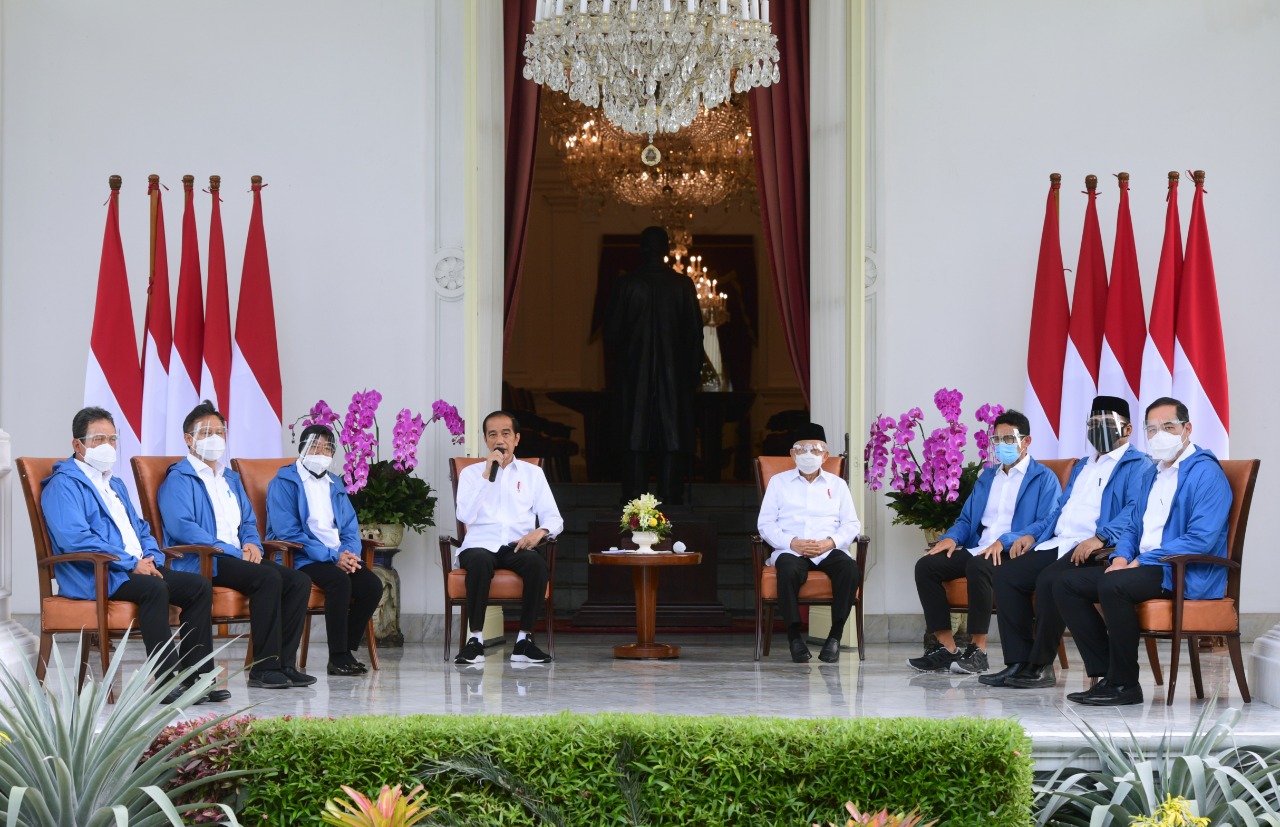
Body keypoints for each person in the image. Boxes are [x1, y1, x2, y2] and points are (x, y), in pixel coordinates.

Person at [42, 406, 228, 704]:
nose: (107, 446)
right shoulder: (63, 485)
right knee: (155, 588)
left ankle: (197, 677)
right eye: (98, 439)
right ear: (77, 445)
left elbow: (140, 528)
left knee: (198, 586)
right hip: (98, 573)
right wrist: (132, 563)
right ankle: (167, 681)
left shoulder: (113, 483)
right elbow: (74, 539)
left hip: (134, 567)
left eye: (112, 439)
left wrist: (151, 556)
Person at [1055, 397, 1231, 706]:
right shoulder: (1152, 473)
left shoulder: (1206, 473)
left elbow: (1201, 539)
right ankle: (1107, 674)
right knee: (1066, 584)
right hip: (1145, 564)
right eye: (1152, 429)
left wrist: (1139, 561)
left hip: (1183, 569)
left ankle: (1126, 685)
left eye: (1168, 427)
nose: (1159, 435)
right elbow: (1133, 527)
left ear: (1187, 429)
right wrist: (1122, 556)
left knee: (1113, 584)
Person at [979, 396, 1151, 688]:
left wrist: (1100, 536)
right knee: (1006, 575)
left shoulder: (1138, 465)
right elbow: (1058, 510)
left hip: (1094, 547)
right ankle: (1019, 662)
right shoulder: (1083, 465)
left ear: (1128, 429)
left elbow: (1134, 511)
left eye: (1107, 424)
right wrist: (1031, 535)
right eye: (1093, 424)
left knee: (1049, 580)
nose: (1099, 430)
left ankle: (1041, 665)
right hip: (1059, 542)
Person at [158, 400, 315, 689]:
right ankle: (264, 668)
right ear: (188, 439)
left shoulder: (230, 477)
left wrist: (252, 542)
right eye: (206, 432)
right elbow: (183, 528)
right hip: (206, 559)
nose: (215, 438)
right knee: (268, 577)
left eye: (220, 431)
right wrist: (233, 550)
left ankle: (284, 663)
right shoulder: (179, 479)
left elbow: (247, 519)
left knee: (298, 581)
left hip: (237, 556)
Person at [907, 409, 1060, 675]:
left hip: (1016, 552)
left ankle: (978, 651)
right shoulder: (987, 477)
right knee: (926, 566)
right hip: (982, 547)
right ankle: (946, 647)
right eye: (997, 440)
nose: (1002, 446)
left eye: (1009, 439)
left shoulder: (1043, 477)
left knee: (979, 566)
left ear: (1026, 441)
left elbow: (1048, 521)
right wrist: (949, 538)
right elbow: (967, 519)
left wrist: (1006, 540)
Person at [266, 424, 383, 677]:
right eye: (315, 446)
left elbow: (350, 527)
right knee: (340, 582)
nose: (322, 451)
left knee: (372, 585)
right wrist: (334, 557)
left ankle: (347, 650)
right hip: (301, 556)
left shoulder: (335, 483)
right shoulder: (284, 482)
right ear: (302, 449)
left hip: (337, 555)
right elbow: (287, 532)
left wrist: (350, 555)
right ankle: (337, 656)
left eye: (328, 447)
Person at [603, 225, 704, 505]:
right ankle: (672, 498)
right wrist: (690, 377)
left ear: (641, 249)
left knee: (635, 436)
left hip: (634, 376)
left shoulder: (626, 285)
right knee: (672, 436)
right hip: (674, 379)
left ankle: (633, 500)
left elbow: (610, 334)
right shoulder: (682, 285)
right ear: (667, 251)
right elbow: (696, 336)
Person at [453, 410, 564, 666]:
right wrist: (487, 477)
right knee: (480, 561)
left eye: (505, 433)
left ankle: (524, 641)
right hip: (479, 544)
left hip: (516, 546)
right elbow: (464, 515)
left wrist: (540, 532)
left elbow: (554, 518)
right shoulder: (472, 474)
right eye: (493, 434)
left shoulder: (532, 474)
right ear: (485, 440)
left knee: (536, 564)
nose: (499, 439)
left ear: (516, 439)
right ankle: (476, 641)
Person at [757, 423, 862, 663]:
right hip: (791, 549)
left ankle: (834, 638)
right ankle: (795, 638)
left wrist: (830, 542)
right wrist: (792, 543)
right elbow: (765, 524)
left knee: (849, 569)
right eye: (801, 449)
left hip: (828, 549)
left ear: (826, 456)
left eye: (815, 449)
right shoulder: (778, 482)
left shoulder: (838, 485)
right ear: (792, 454)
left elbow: (852, 524)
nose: (808, 454)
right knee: (788, 569)